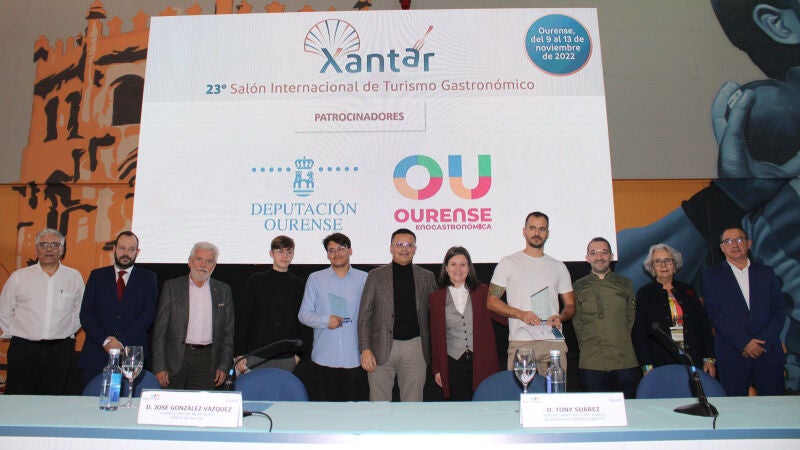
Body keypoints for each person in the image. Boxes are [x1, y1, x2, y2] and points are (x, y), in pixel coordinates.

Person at [617, 0, 800, 393]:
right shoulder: (772, 207)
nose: (735, 245)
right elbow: (615, 278)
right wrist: (729, 197)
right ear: (779, 23)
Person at [487, 212, 575, 376]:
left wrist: (561, 317)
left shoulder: (559, 266)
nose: (537, 233)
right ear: (524, 231)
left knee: (556, 392)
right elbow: (492, 301)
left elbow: (570, 305)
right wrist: (520, 314)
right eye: (532, 228)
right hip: (522, 342)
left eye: (542, 229)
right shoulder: (508, 263)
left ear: (547, 233)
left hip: (553, 343)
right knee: (521, 391)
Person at [702, 227, 785, 396]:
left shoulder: (766, 273)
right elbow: (714, 314)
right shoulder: (711, 276)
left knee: (775, 405)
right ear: (722, 247)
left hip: (767, 352)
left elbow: (778, 311)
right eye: (728, 241)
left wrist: (761, 343)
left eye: (739, 240)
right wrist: (744, 342)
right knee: (734, 407)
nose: (734, 244)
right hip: (732, 353)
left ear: (749, 244)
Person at [0, 228, 84, 395]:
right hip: (23, 349)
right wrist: (20, 333)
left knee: (51, 400)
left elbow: (79, 312)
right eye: (43, 244)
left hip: (59, 351)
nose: (49, 249)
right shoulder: (19, 277)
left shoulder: (73, 277)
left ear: (62, 249)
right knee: (18, 399)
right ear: (36, 249)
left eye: (54, 245)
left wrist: (64, 331)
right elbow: (4, 311)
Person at [358, 228, 437, 402]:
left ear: (415, 249)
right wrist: (365, 349)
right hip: (380, 348)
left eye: (409, 244)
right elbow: (364, 315)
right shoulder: (375, 275)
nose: (404, 249)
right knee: (378, 403)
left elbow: (434, 315)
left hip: (415, 348)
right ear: (391, 248)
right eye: (399, 244)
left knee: (413, 404)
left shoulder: (427, 277)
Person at [78, 231, 158, 387]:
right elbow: (87, 314)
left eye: (131, 249)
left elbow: (148, 315)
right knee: (92, 399)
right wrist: (106, 341)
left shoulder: (148, 278)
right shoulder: (97, 276)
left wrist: (121, 342)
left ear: (137, 252)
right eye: (122, 248)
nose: (126, 253)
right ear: (114, 249)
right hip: (97, 354)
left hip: (131, 357)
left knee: (130, 400)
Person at [151, 242, 234, 390]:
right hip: (175, 359)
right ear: (190, 261)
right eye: (199, 259)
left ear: (214, 265)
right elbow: (160, 331)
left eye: (209, 261)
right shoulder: (172, 287)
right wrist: (159, 366)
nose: (203, 265)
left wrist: (224, 366)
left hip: (207, 362)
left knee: (202, 404)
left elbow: (228, 333)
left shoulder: (223, 291)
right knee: (172, 403)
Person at [298, 233, 369, 401]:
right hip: (324, 358)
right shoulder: (315, 279)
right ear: (327, 254)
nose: (336, 253)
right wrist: (325, 320)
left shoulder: (364, 278)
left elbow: (371, 316)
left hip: (355, 358)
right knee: (325, 412)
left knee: (353, 412)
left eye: (341, 249)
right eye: (331, 250)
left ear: (350, 251)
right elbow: (303, 314)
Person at [429, 246, 505, 401]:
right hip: (452, 363)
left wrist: (525, 318)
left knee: (483, 404)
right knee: (459, 408)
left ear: (469, 268)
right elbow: (435, 335)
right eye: (453, 264)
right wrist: (437, 369)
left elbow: (502, 316)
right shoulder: (436, 297)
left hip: (482, 360)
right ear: (446, 268)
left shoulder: (482, 292)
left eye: (463, 264)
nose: (458, 269)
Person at [633, 243, 716, 376]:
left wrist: (709, 358)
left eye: (667, 260)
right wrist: (646, 366)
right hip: (661, 363)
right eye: (657, 261)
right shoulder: (645, 294)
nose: (663, 265)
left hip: (693, 359)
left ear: (675, 264)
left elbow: (703, 326)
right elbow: (640, 333)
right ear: (652, 267)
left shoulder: (688, 290)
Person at [572, 237, 640, 398]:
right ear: (587, 258)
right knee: (596, 410)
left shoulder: (625, 283)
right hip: (591, 362)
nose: (599, 257)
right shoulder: (578, 286)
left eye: (604, 252)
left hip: (624, 361)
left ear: (611, 256)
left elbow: (631, 318)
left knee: (627, 408)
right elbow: (577, 322)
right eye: (594, 253)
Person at [235, 235, 309, 374]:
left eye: (289, 252)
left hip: (287, 357)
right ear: (271, 253)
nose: (284, 256)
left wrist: (299, 355)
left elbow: (303, 322)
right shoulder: (256, 280)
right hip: (255, 355)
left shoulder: (298, 284)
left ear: (293, 255)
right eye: (280, 251)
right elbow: (244, 318)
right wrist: (240, 353)